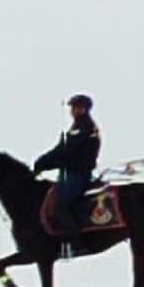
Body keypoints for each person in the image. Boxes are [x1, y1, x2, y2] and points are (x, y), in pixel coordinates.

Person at [33, 94, 101, 255]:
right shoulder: (75, 127)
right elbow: (61, 149)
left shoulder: (85, 127)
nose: (72, 110)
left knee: (61, 205)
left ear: (83, 109)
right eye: (72, 107)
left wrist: (46, 162)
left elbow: (67, 152)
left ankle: (76, 243)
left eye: (75, 107)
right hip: (71, 172)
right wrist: (41, 162)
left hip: (78, 173)